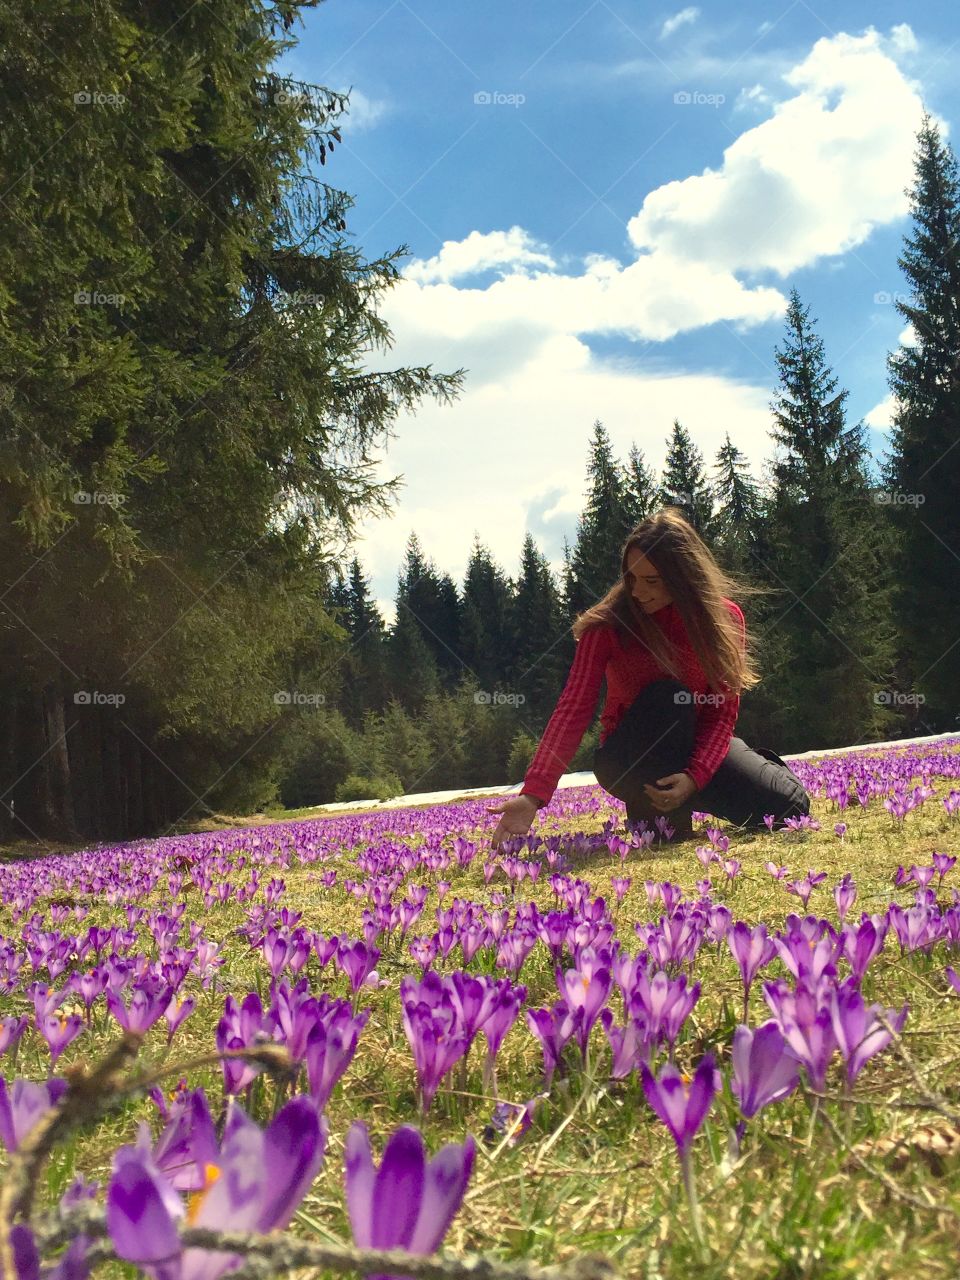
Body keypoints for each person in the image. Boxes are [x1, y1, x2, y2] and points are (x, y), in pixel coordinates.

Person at [488, 507, 812, 851]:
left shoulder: (724, 620)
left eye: (652, 581)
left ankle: (721, 783)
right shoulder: (606, 628)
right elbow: (573, 708)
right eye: (631, 578)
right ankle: (663, 816)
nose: (638, 591)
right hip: (631, 757)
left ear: (684, 577)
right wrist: (534, 795)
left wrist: (695, 777)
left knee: (790, 808)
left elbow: (721, 712)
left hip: (696, 751)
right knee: (667, 698)